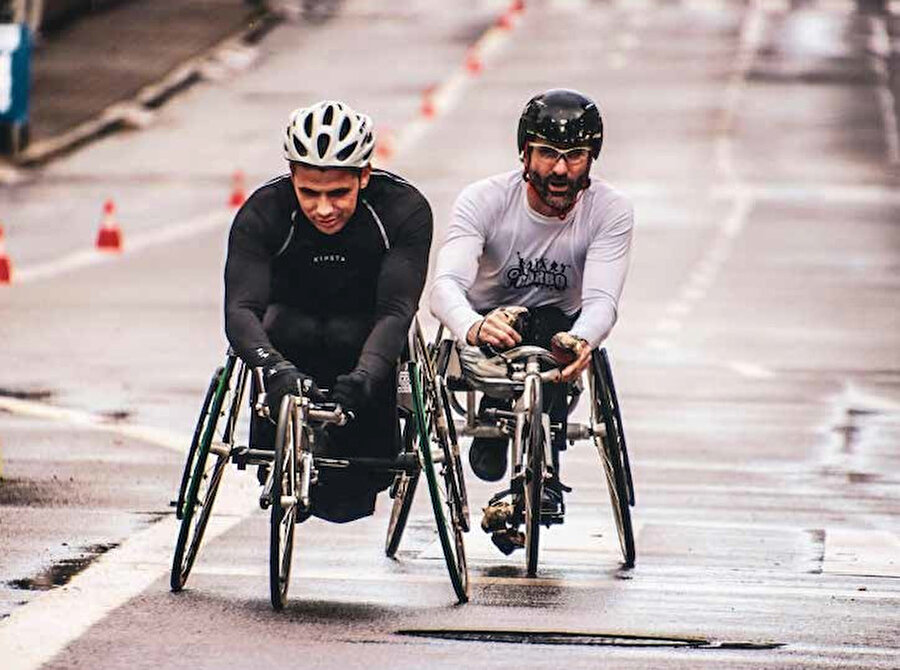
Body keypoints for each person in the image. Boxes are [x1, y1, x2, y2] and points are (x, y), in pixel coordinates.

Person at [429, 88, 634, 544]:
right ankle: (501, 416)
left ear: (592, 157)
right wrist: (474, 326)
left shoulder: (610, 210)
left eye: (575, 156)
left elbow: (602, 300)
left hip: (556, 334)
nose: (560, 170)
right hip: (484, 327)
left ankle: (541, 479)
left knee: (550, 331)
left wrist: (582, 340)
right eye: (546, 154)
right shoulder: (483, 200)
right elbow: (443, 288)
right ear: (525, 152)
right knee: (523, 326)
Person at [224, 100, 433, 523]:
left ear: (365, 176)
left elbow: (397, 310)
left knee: (348, 504)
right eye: (309, 193)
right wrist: (273, 368)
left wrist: (366, 377)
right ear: (291, 178)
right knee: (279, 324)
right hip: (290, 335)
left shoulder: (402, 210)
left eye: (338, 193)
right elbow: (240, 308)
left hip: (364, 340)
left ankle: (349, 451)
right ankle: (283, 448)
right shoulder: (264, 211)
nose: (323, 209)